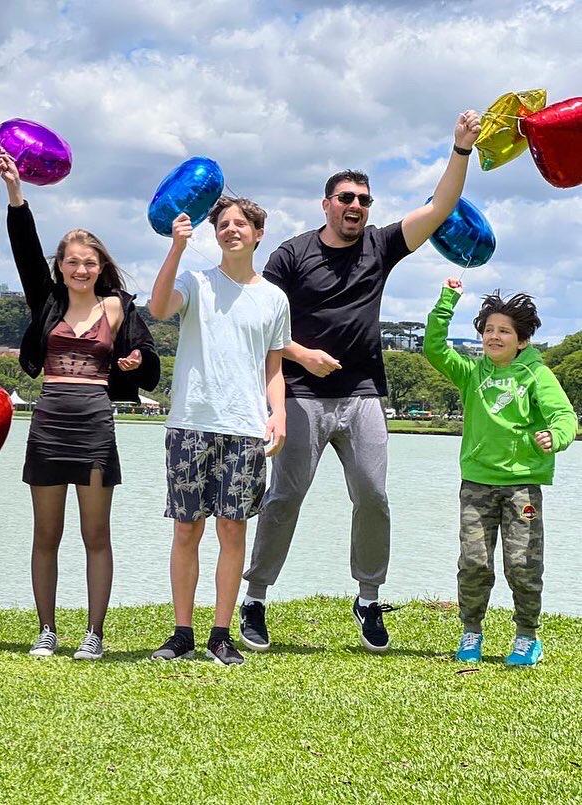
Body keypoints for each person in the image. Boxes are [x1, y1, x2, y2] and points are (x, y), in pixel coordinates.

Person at [241, 110, 482, 654]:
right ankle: (255, 596)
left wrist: (461, 150)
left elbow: (440, 208)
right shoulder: (291, 254)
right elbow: (264, 320)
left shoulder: (381, 246)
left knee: (372, 495)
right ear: (326, 203)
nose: (355, 207)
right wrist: (303, 354)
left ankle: (368, 597)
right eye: (345, 198)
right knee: (285, 496)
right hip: (302, 393)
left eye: (363, 200)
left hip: (364, 394)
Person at [0, 152, 160, 660]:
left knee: (96, 534)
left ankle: (94, 633)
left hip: (94, 426)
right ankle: (46, 630)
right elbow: (25, 250)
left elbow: (147, 359)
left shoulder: (119, 307)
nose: (81, 269)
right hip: (48, 423)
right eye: (72, 262)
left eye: (90, 262)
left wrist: (134, 360)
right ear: (61, 267)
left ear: (101, 266)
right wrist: (16, 195)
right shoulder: (47, 301)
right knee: (46, 533)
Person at [147, 200, 290, 665]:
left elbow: (274, 366)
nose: (231, 231)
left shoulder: (274, 298)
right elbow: (159, 306)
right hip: (190, 422)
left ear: (258, 234)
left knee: (233, 529)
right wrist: (176, 248)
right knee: (187, 529)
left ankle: (220, 634)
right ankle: (182, 632)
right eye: (223, 225)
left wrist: (279, 413)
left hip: (244, 427)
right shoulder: (196, 280)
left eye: (240, 225)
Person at [424, 278, 575, 667]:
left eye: (503, 331)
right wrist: (447, 302)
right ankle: (471, 631)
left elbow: (564, 417)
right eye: (489, 329)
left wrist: (555, 437)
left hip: (522, 486)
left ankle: (527, 636)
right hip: (476, 482)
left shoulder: (536, 375)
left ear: (521, 340)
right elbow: (434, 348)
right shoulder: (471, 373)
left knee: (523, 564)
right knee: (474, 562)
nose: (494, 336)